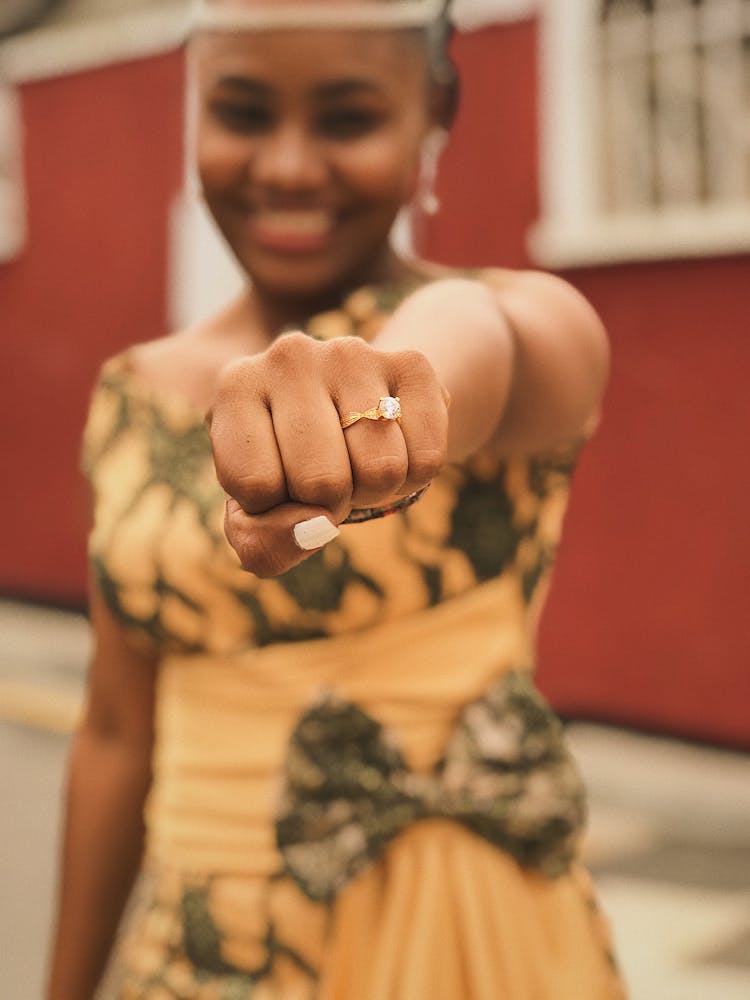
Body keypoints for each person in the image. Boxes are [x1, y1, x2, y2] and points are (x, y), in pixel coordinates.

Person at [47, 0, 626, 997]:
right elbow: (112, 732)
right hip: (209, 963)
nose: (287, 166)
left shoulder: (527, 323)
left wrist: (399, 391)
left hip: (481, 951)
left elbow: (478, 333)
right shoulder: (129, 397)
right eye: (240, 112)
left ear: (433, 114)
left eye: (348, 119)